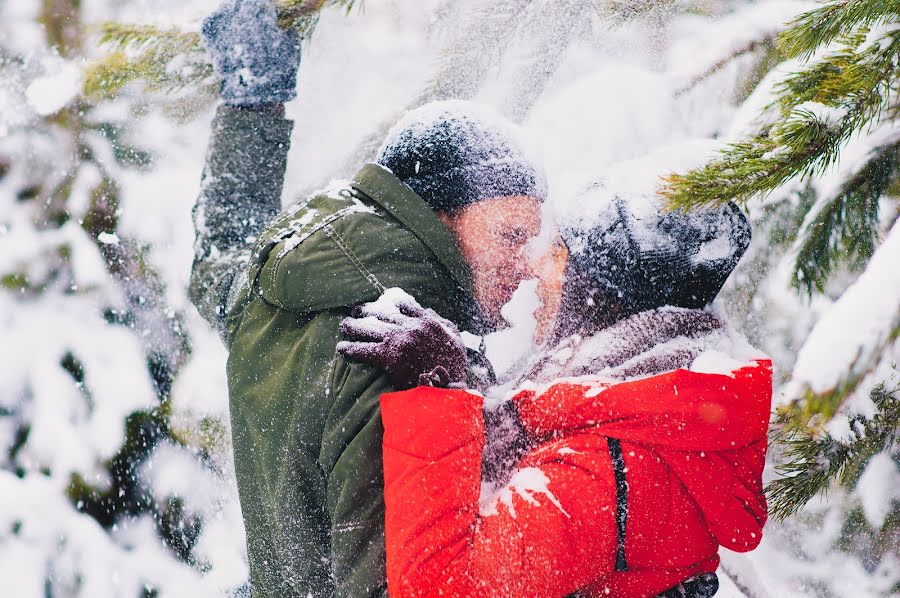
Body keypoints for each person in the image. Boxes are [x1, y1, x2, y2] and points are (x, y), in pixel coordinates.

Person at [189, 1, 566, 595]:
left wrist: (251, 101)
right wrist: (454, 390)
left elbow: (218, 256)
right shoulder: (397, 350)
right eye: (510, 236)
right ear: (440, 217)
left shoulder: (284, 281)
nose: (526, 267)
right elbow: (396, 580)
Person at [339, 189, 770, 597]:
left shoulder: (606, 467)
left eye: (560, 251)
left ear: (603, 289)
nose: (535, 264)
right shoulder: (629, 413)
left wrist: (440, 392)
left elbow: (442, 588)